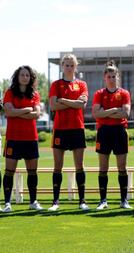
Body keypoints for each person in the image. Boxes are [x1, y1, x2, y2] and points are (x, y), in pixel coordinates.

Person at [48, 54, 89, 211]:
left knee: (79, 165)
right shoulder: (56, 84)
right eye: (67, 65)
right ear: (62, 66)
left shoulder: (82, 84)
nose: (69, 68)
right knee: (58, 166)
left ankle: (82, 201)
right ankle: (55, 202)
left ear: (76, 66)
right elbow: (53, 106)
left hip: (77, 128)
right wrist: (73, 103)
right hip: (60, 129)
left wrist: (63, 100)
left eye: (72, 65)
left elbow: (82, 105)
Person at [2, 66, 43, 212]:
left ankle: (33, 202)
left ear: (30, 77)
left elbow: (36, 115)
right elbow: (8, 111)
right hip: (13, 137)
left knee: (32, 171)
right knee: (9, 171)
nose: (25, 77)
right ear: (17, 77)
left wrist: (16, 112)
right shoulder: (9, 92)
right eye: (22, 75)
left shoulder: (35, 94)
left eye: (27, 75)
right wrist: (26, 110)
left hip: (30, 138)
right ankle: (7, 203)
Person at [92, 60, 132, 210]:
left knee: (122, 166)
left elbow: (125, 113)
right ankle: (103, 201)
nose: (111, 79)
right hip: (103, 132)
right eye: (108, 76)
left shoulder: (124, 93)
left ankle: (124, 200)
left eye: (114, 76)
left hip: (120, 132)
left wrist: (105, 112)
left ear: (118, 77)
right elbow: (96, 114)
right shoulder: (99, 94)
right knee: (103, 167)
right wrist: (114, 110)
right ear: (104, 78)